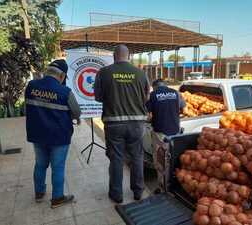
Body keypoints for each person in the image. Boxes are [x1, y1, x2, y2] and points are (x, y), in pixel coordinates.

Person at [94, 44, 150, 203]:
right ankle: (138, 192)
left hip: (114, 123)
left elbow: (97, 97)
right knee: (137, 157)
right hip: (137, 124)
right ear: (129, 56)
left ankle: (117, 195)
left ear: (114, 56)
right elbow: (147, 97)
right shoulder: (141, 73)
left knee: (116, 158)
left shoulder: (103, 73)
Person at [25, 59, 81, 208]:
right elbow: (76, 112)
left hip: (37, 134)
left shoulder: (31, 86)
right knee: (58, 167)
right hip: (59, 137)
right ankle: (57, 198)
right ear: (62, 76)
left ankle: (39, 193)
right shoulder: (65, 92)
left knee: (40, 164)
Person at [146, 79, 186, 190]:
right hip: (175, 132)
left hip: (160, 133)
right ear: (165, 85)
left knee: (160, 161)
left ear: (154, 87)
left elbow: (148, 115)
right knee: (172, 158)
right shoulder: (176, 93)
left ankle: (162, 186)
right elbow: (183, 109)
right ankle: (173, 184)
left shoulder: (153, 95)